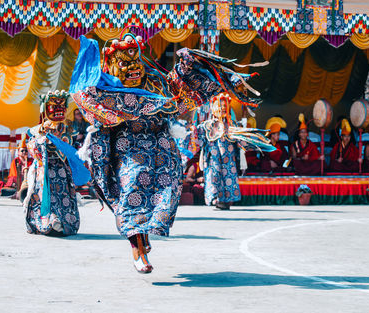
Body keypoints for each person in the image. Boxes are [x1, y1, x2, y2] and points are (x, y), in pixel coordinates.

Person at [70, 34, 271, 273]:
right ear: (115, 63)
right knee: (133, 185)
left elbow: (178, 96)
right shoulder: (106, 88)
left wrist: (188, 65)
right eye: (125, 63)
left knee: (169, 184)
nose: (133, 67)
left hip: (160, 143)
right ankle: (137, 248)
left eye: (136, 61)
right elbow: (88, 101)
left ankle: (143, 235)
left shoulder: (155, 81)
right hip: (128, 147)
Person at [23, 90, 90, 237]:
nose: (59, 110)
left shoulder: (67, 129)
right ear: (46, 108)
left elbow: (70, 148)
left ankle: (65, 223)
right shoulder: (37, 130)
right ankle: (47, 222)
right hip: (43, 170)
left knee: (63, 196)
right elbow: (31, 147)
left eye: (62, 106)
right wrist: (42, 141)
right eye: (54, 106)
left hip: (61, 170)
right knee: (43, 196)